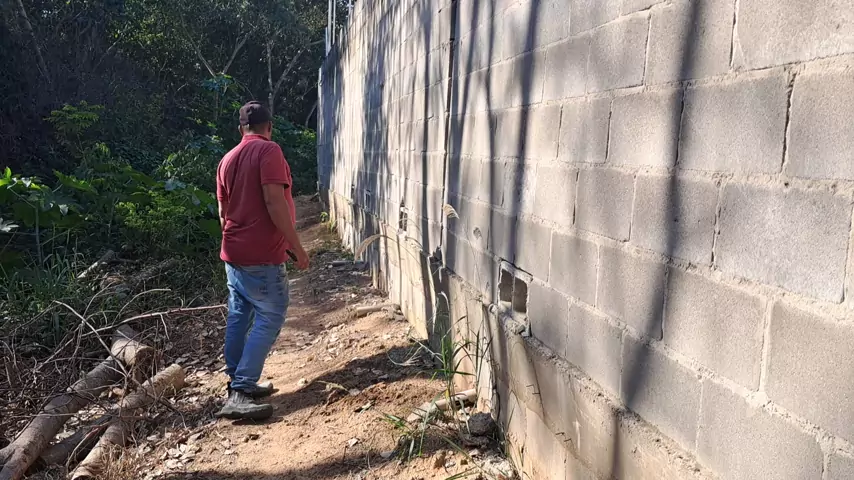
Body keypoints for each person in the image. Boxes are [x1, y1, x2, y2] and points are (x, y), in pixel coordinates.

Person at [214, 101, 310, 420]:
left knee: (240, 314)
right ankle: (242, 389)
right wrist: (296, 246)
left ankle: (237, 382)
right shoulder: (269, 151)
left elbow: (223, 213)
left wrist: (236, 243)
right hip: (261, 255)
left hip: (233, 252)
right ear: (269, 127)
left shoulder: (226, 160)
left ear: (240, 129)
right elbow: (274, 201)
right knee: (271, 312)